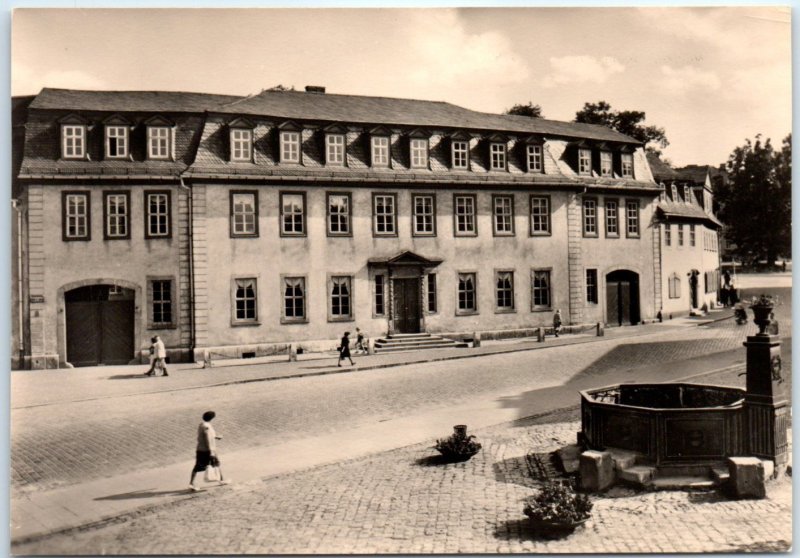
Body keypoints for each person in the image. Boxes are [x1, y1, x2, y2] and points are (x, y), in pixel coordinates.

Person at [189, 410, 229, 491]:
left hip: (201, 449)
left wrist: (216, 437)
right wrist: (211, 451)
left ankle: (221, 480)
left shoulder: (202, 425)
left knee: (215, 463)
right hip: (207, 450)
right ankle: (191, 484)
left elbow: (207, 436)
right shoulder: (207, 426)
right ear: (212, 418)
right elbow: (207, 438)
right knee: (202, 466)